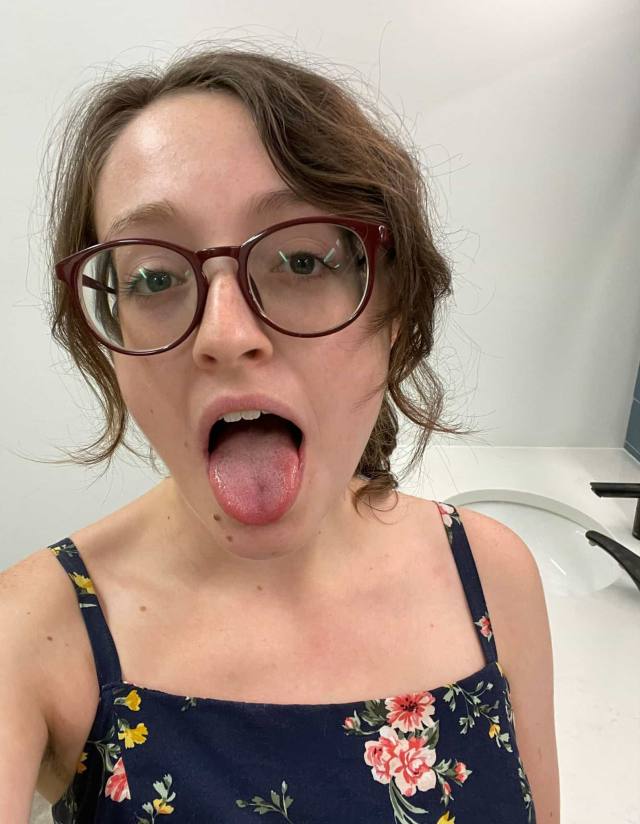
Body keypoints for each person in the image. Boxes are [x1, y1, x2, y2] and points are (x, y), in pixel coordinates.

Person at [0, 45, 559, 822]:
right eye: (154, 277)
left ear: (396, 308)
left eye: (300, 259)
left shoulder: (493, 578)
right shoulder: (31, 632)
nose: (225, 334)